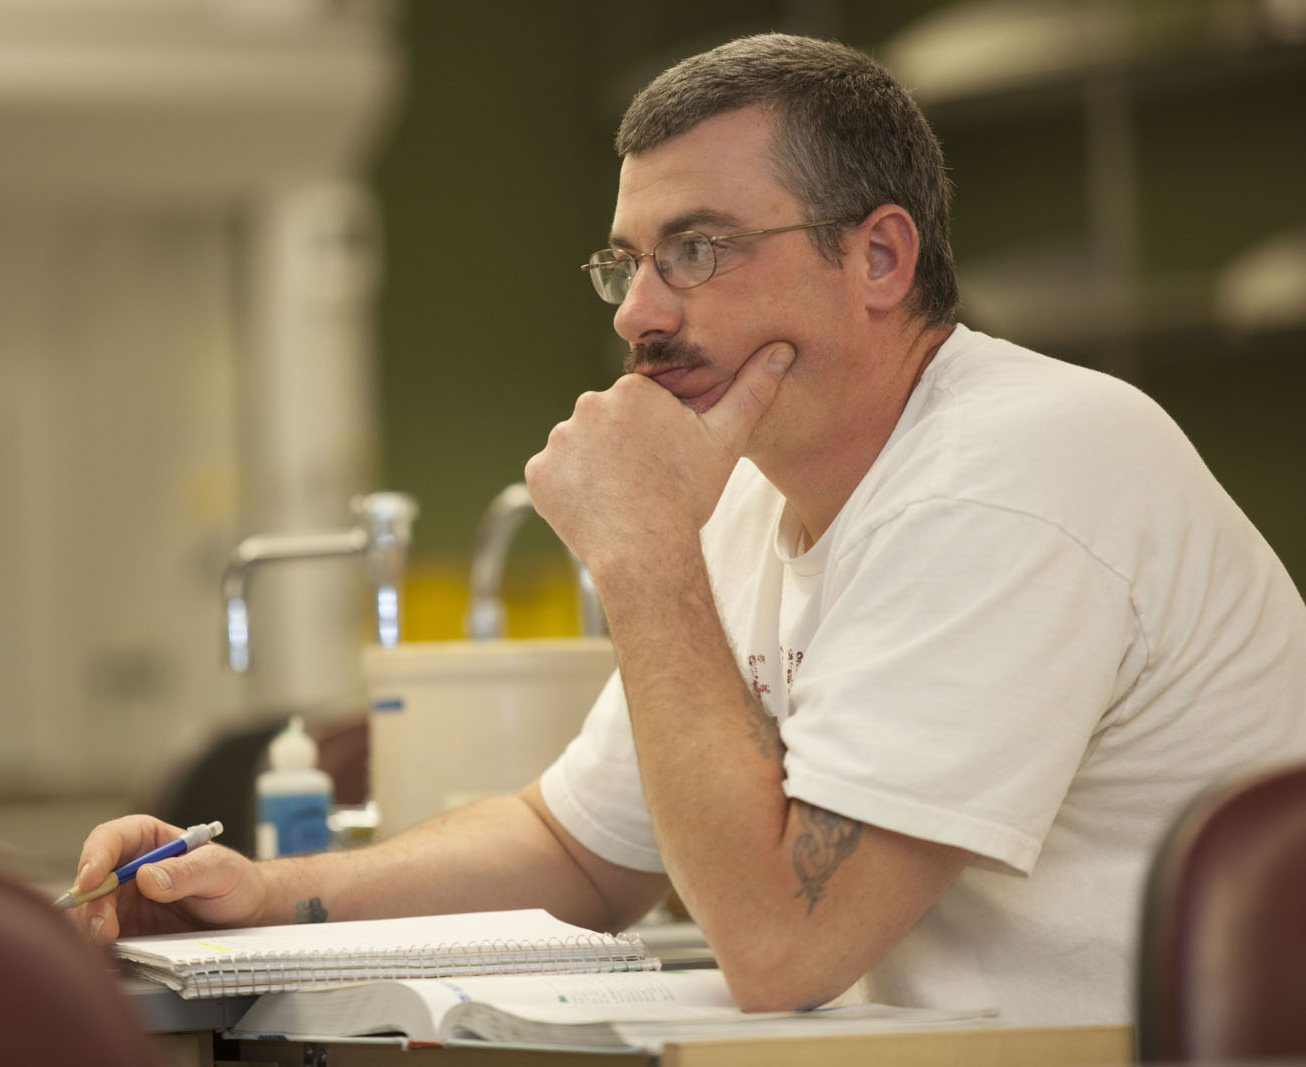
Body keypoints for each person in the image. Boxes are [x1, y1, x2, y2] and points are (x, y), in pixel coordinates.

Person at [68, 33, 1306, 1026]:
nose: (638, 315)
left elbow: (782, 947)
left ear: (878, 255)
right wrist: (260, 899)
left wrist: (643, 548)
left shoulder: (1018, 469)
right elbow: (580, 846)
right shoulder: (759, 488)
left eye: (696, 251)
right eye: (626, 264)